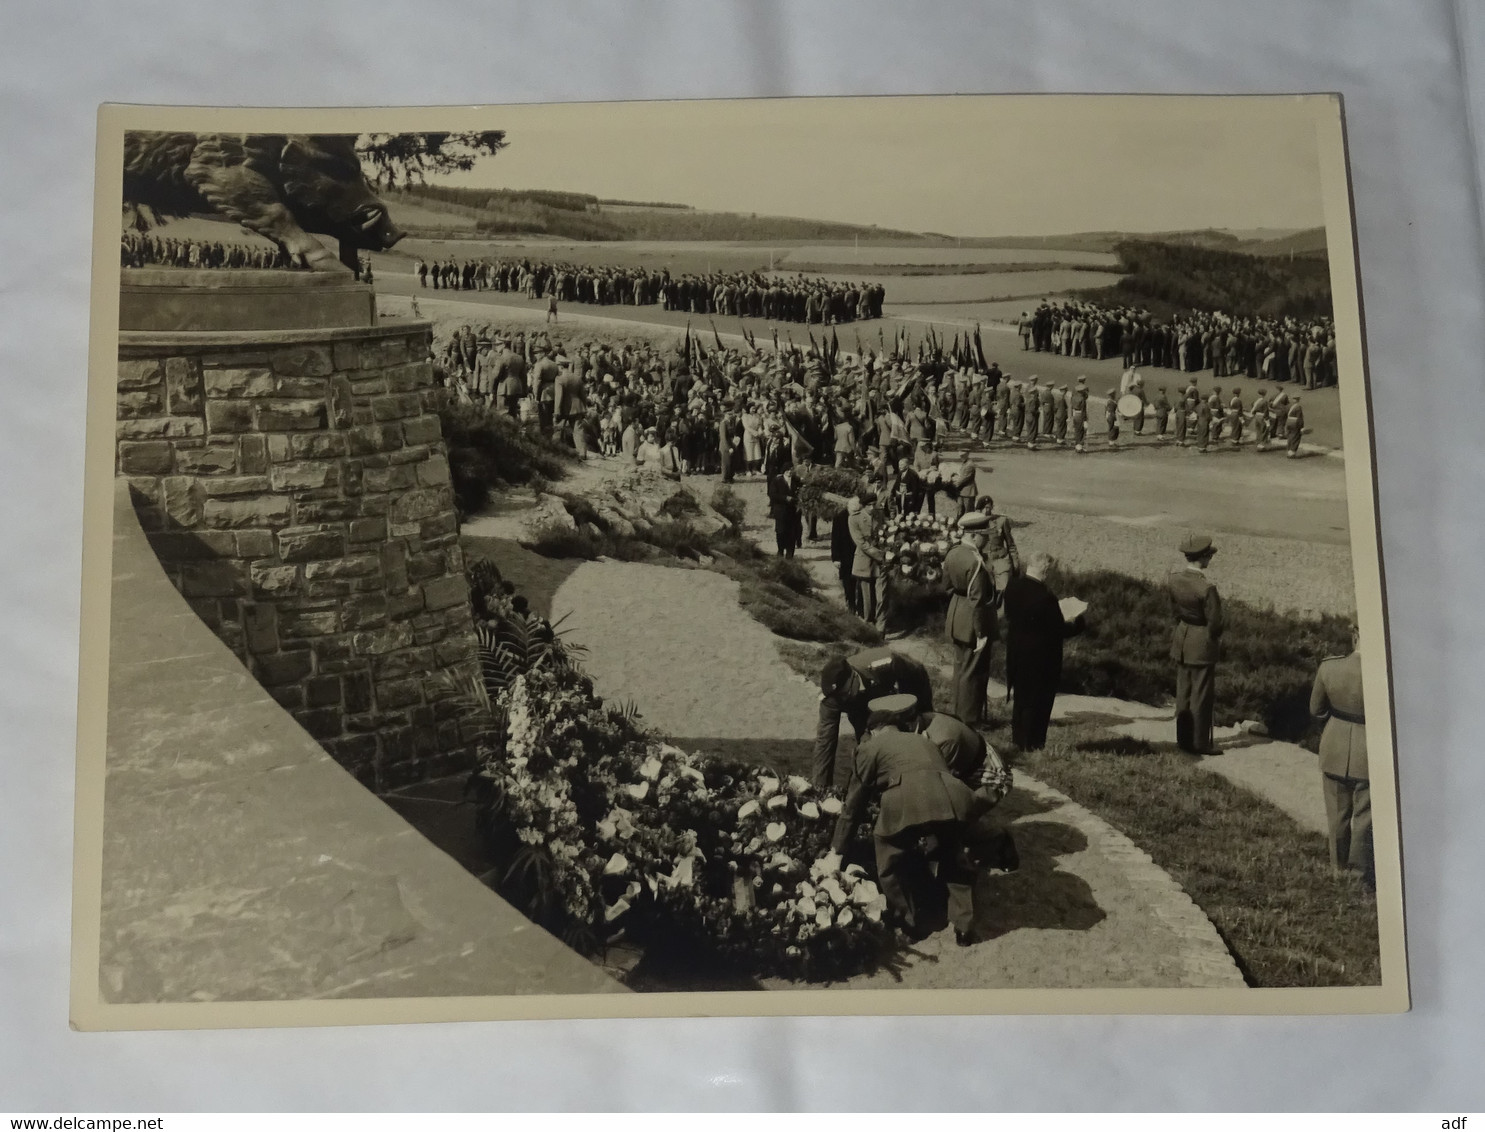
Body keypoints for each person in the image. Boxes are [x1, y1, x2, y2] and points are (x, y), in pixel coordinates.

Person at [829, 694, 984, 945]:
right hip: (953, 797)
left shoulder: (871, 747)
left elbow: (854, 804)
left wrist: (837, 849)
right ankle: (964, 928)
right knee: (951, 855)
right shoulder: (923, 741)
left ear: (874, 730)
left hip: (908, 799)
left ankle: (910, 923)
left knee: (889, 859)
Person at [813, 648, 934, 790]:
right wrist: (820, 787)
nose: (841, 700)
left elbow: (916, 674)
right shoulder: (831, 698)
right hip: (859, 706)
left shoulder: (886, 663)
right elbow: (825, 741)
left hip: (889, 693)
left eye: (845, 694)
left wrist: (918, 712)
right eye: (839, 698)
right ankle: (868, 786)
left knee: (907, 734)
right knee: (866, 746)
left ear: (853, 677)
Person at [1003, 552, 1086, 750]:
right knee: (1038, 702)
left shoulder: (1013, 586)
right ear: (1045, 570)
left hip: (1016, 650)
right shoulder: (1045, 598)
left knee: (1021, 700)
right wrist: (1078, 622)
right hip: (1041, 658)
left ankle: (1019, 740)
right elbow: (1059, 630)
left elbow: (1009, 614)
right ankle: (1033, 743)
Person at [1311, 626, 1373, 889]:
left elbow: (1316, 710)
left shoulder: (1329, 668)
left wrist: (1337, 723)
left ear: (1354, 636)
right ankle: (1358, 876)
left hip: (1334, 746)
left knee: (1337, 814)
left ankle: (1338, 870)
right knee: (1364, 817)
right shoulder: (1384, 675)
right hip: (1369, 751)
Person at [1168, 533, 1223, 755]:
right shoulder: (1207, 588)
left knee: (1184, 693)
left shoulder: (1174, 579)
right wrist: (1212, 640)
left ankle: (1183, 740)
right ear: (1203, 558)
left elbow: (1174, 611)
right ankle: (1199, 743)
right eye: (1209, 556)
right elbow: (1216, 623)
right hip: (1201, 642)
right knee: (1201, 695)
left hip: (1182, 638)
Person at [941, 512, 998, 728]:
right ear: (974, 535)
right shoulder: (975, 561)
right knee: (973, 672)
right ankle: (970, 719)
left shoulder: (953, 553)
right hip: (972, 620)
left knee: (960, 669)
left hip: (957, 614)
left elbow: (946, 587)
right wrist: (981, 632)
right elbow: (978, 600)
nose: (987, 539)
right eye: (984, 535)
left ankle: (959, 713)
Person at [848, 488, 888, 635]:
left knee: (882, 597)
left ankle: (881, 628)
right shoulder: (854, 519)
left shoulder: (880, 515)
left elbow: (887, 532)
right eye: (869, 505)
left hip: (881, 564)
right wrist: (880, 555)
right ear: (863, 506)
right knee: (868, 599)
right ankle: (868, 624)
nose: (872, 508)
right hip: (865, 561)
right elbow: (861, 543)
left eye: (874, 504)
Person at [831, 496, 861, 616]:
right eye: (853, 512)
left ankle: (860, 607)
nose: (855, 514)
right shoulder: (840, 518)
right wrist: (835, 558)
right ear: (848, 508)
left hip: (858, 554)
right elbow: (835, 539)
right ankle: (851, 605)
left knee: (859, 582)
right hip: (844, 555)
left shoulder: (860, 516)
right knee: (848, 582)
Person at [767, 465, 802, 558]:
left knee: (792, 532)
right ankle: (780, 550)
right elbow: (772, 494)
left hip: (793, 511)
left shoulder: (796, 480)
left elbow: (801, 492)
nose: (790, 472)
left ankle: (790, 553)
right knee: (781, 531)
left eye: (791, 470)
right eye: (787, 470)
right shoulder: (777, 481)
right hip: (780, 510)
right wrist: (785, 498)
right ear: (784, 472)